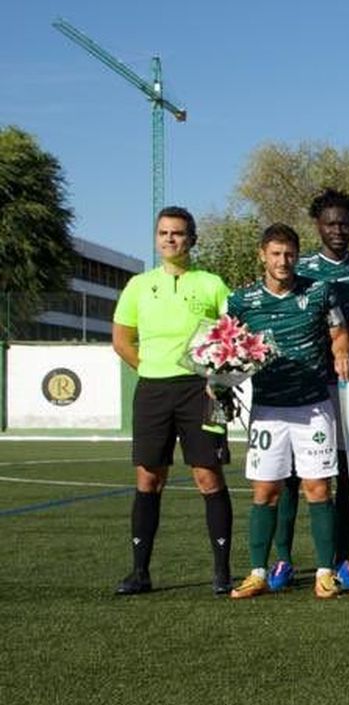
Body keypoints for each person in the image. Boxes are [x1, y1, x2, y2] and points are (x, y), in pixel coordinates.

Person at [110, 206, 234, 595]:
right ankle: (139, 572)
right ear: (156, 238)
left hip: (202, 390)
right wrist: (150, 368)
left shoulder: (212, 284)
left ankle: (222, 572)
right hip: (153, 391)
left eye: (178, 233)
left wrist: (218, 380)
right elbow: (122, 340)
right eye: (163, 233)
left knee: (207, 476)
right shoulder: (138, 285)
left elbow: (231, 337)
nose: (170, 239)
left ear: (192, 239)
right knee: (149, 477)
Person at [226, 224, 348, 599]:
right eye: (275, 254)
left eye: (289, 254)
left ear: (297, 255)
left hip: (312, 407)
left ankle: (325, 572)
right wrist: (219, 379)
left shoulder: (318, 292)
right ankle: (258, 572)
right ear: (262, 255)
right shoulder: (241, 301)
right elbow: (226, 345)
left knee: (317, 488)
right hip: (268, 409)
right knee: (265, 491)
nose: (283, 261)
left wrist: (341, 351)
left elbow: (338, 333)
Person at [289, 188, 349, 593]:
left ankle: (343, 558)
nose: (339, 230)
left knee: (347, 474)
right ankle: (281, 560)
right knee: (296, 476)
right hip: (306, 383)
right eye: (331, 223)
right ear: (318, 226)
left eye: (346, 223)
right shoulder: (302, 267)